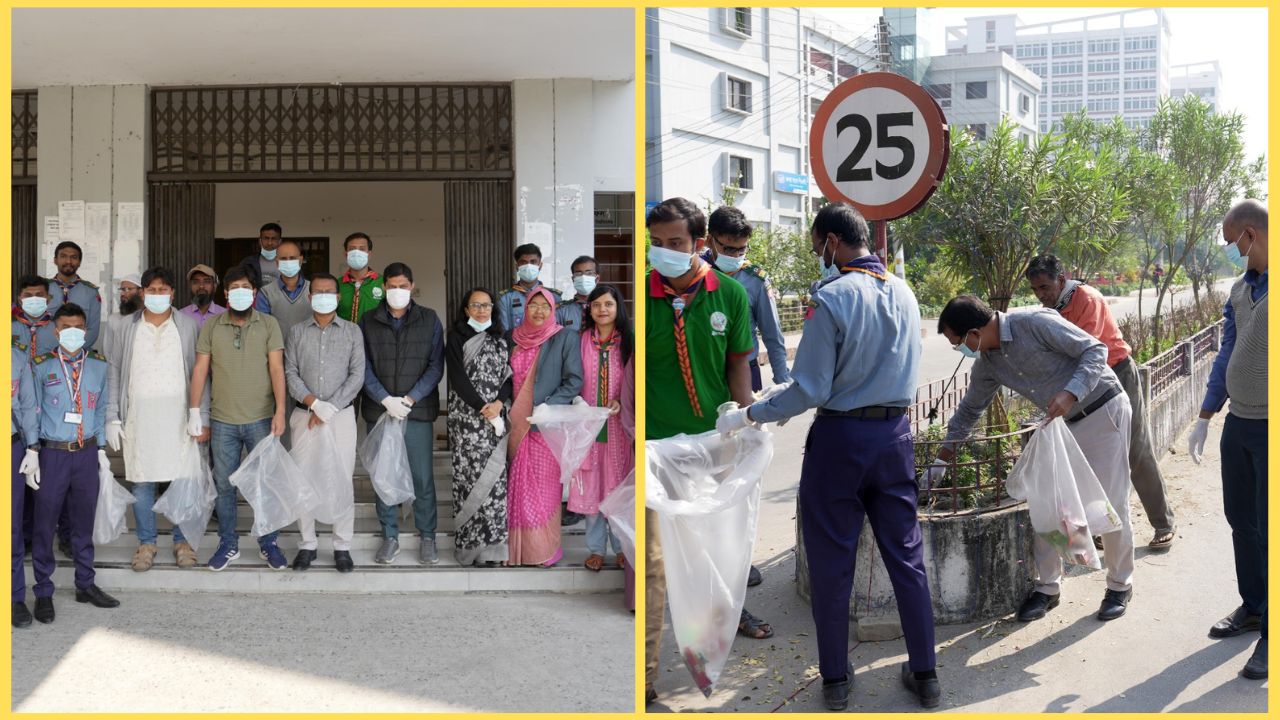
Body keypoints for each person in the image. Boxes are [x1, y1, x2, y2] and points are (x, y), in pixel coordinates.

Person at [718, 202, 936, 710]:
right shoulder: (904, 292)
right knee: (908, 558)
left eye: (819, 246)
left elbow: (811, 387)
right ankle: (926, 674)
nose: (819, 256)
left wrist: (752, 414)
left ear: (833, 242)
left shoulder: (832, 296)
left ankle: (836, 681)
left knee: (831, 562)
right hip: (895, 436)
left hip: (841, 441)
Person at [930, 295, 1134, 624]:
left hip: (1102, 410)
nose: (961, 351)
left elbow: (1095, 350)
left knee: (1109, 502)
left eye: (959, 343)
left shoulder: (1035, 323)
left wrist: (1071, 392)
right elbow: (969, 411)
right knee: (1048, 503)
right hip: (1060, 426)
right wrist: (940, 461)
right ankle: (1048, 587)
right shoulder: (988, 363)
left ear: (974, 332)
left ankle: (1119, 585)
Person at [643, 197, 766, 706]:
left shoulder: (731, 295)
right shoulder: (642, 296)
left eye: (675, 243)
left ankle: (706, 646)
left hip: (712, 445)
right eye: (656, 243)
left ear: (700, 245)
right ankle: (645, 676)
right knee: (656, 563)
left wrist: (745, 421)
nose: (664, 252)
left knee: (712, 548)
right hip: (653, 449)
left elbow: (739, 364)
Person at [1025, 254, 1175, 550]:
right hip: (1081, 386)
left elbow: (1086, 351)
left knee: (1136, 450)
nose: (1041, 295)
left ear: (1062, 279)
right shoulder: (1052, 310)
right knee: (1088, 459)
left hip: (1116, 373)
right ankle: (1099, 528)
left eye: (1045, 287)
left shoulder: (1087, 299)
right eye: (1036, 290)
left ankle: (1163, 522)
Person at [1188, 198, 1268, 680]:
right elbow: (1226, 353)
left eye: (1233, 242)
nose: (1233, 252)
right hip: (1239, 422)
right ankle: (1254, 605)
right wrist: (1205, 414)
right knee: (1241, 519)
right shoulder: (1241, 290)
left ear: (1251, 234)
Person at [104, 266, 208, 571]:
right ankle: (146, 543)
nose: (158, 295)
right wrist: (112, 416)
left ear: (173, 293)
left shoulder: (187, 325)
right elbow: (114, 370)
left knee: (182, 480)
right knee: (142, 481)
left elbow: (200, 372)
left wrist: (200, 412)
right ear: (142, 293)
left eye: (163, 290)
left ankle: (182, 542)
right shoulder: (127, 327)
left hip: (179, 418)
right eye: (151, 290)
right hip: (139, 417)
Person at [187, 266, 289, 571]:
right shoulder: (212, 326)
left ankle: (268, 542)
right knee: (224, 485)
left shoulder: (269, 324)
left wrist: (280, 411)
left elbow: (276, 370)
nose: (240, 293)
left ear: (255, 293)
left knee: (264, 483)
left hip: (261, 419)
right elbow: (201, 371)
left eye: (246, 287)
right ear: (226, 294)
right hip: (222, 421)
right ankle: (228, 543)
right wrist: (195, 412)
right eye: (234, 288)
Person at [24, 303, 120, 623]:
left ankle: (85, 583)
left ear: (86, 329)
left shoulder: (97, 365)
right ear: (56, 330)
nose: (73, 333)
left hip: (86, 452)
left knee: (83, 523)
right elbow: (31, 411)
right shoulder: (40, 366)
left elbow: (102, 406)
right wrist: (33, 451)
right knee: (44, 524)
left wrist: (103, 451)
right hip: (52, 453)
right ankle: (43, 590)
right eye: (67, 328)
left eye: (79, 328)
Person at [359, 262, 444, 565]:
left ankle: (428, 536)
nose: (398, 291)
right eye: (392, 286)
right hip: (379, 411)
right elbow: (362, 366)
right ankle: (389, 536)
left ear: (412, 286)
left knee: (422, 477)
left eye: (403, 286)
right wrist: (384, 399)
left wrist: (410, 398)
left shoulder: (429, 319)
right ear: (383, 287)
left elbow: (436, 365)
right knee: (384, 476)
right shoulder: (368, 321)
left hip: (416, 411)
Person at [284, 273, 365, 573]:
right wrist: (313, 403)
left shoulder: (352, 332)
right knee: (304, 479)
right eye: (317, 291)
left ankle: (342, 545)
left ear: (338, 297)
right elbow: (290, 372)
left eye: (329, 291)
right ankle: (307, 544)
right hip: (305, 416)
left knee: (342, 477)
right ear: (309, 296)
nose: (323, 296)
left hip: (340, 417)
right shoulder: (296, 332)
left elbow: (357, 375)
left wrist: (329, 407)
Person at [505, 286, 583, 567]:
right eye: (533, 305)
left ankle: (542, 551)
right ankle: (519, 551)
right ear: (524, 308)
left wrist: (550, 405)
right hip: (514, 424)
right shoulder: (510, 337)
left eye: (545, 307)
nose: (539, 311)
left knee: (543, 491)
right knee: (517, 489)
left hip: (545, 427)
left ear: (553, 310)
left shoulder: (564, 338)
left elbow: (574, 380)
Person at [445, 287, 513, 567]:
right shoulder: (457, 338)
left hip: (495, 422)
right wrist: (482, 408)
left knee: (495, 484)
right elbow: (458, 379)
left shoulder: (502, 339)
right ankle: (469, 549)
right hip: (466, 421)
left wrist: (498, 404)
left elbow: (510, 376)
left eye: (486, 306)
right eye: (476, 305)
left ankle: (493, 550)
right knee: (468, 481)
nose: (482, 310)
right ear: (466, 310)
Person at [570, 284, 633, 571]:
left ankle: (621, 547)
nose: (602, 310)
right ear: (589, 310)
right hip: (588, 429)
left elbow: (636, 382)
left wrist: (622, 400)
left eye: (608, 304)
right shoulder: (580, 340)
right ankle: (596, 549)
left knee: (618, 489)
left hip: (620, 429)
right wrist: (577, 400)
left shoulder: (629, 342)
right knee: (591, 488)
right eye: (596, 305)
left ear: (618, 307)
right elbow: (571, 377)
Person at [703, 205, 791, 392]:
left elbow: (772, 334)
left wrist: (783, 383)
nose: (736, 256)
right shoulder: (695, 273)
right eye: (728, 249)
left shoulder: (755, 279)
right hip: (705, 371)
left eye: (742, 249)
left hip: (745, 370)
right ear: (710, 240)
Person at [11, 338, 39, 627]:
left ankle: (15, 598)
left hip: (11, 447)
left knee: (12, 527)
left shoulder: (17, 359)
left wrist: (32, 448)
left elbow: (29, 405)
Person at [46, 241, 103, 349]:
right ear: (55, 260)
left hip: (78, 355)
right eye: (63, 256)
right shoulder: (43, 289)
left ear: (79, 262)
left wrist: (72, 351)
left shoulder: (91, 292)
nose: (68, 261)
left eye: (74, 257)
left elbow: (93, 330)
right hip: (47, 352)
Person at [497, 243, 562, 330]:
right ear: (517, 267)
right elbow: (504, 333)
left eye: (533, 262)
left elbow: (557, 329)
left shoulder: (554, 296)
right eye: (523, 262)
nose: (528, 266)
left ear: (540, 266)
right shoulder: (505, 298)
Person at [255, 239, 312, 340]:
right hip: (278, 352)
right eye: (284, 259)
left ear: (301, 259)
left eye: (292, 258)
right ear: (277, 262)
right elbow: (263, 327)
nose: (288, 262)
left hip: (308, 351)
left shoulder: (313, 290)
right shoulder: (265, 293)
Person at [338, 232, 384, 324]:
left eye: (362, 249)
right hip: (344, 337)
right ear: (346, 254)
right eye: (352, 249)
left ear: (369, 254)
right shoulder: (336, 285)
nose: (357, 253)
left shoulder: (383, 283)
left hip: (373, 337)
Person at [12, 275, 59, 360]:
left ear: (48, 299)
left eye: (39, 295)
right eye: (28, 295)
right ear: (19, 300)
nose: (34, 299)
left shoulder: (60, 326)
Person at [102, 273, 143, 364]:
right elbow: (108, 352)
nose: (123, 293)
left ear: (141, 292)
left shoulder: (148, 318)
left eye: (129, 289)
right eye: (122, 289)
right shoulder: (113, 319)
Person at [555, 255, 599, 331]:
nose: (583, 277)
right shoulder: (561, 310)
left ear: (597, 279)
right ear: (573, 279)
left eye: (589, 273)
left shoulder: (606, 309)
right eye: (578, 274)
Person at [180, 264, 226, 330]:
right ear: (190, 286)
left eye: (207, 281)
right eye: (195, 282)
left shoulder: (224, 315)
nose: (201, 286)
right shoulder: (181, 315)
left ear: (215, 286)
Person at [238, 222, 283, 289]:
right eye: (266, 238)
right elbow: (237, 281)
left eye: (273, 239)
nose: (269, 243)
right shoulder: (248, 263)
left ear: (279, 241)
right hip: (256, 298)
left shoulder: (288, 263)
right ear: (260, 241)